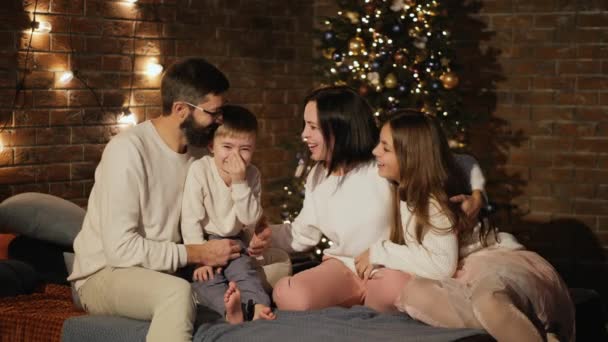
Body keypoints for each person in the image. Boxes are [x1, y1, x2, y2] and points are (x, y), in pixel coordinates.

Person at [67, 58, 272, 342]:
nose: (220, 121)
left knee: (272, 267)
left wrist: (256, 229)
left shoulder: (201, 154)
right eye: (213, 113)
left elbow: (227, 209)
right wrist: (197, 253)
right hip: (107, 273)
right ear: (180, 110)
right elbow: (120, 250)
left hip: (171, 266)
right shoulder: (127, 152)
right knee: (177, 293)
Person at [270, 86, 485, 312]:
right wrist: (261, 235)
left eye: (313, 127)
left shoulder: (384, 166)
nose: (304, 134)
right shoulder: (317, 175)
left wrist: (478, 194)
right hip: (344, 267)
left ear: (340, 128)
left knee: (391, 291)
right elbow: (303, 234)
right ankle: (358, 299)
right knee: (290, 294)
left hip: (391, 267)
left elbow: (460, 162)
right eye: (305, 125)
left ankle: (371, 306)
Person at [368, 110, 574, 341]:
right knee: (416, 294)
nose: (375, 151)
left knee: (489, 300)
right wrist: (478, 193)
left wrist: (380, 251)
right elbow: (466, 161)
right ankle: (530, 331)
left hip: (491, 262)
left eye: (385, 148)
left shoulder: (433, 202)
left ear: (412, 155)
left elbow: (440, 267)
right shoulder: (403, 185)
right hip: (461, 272)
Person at [181, 105, 275, 324]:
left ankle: (258, 307)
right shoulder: (200, 170)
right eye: (227, 147)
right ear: (211, 145)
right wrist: (200, 256)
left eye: (244, 149)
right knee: (205, 279)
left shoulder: (251, 175)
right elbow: (190, 217)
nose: (236, 156)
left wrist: (240, 182)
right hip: (204, 241)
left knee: (244, 271)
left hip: (234, 241)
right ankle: (230, 311)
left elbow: (251, 218)